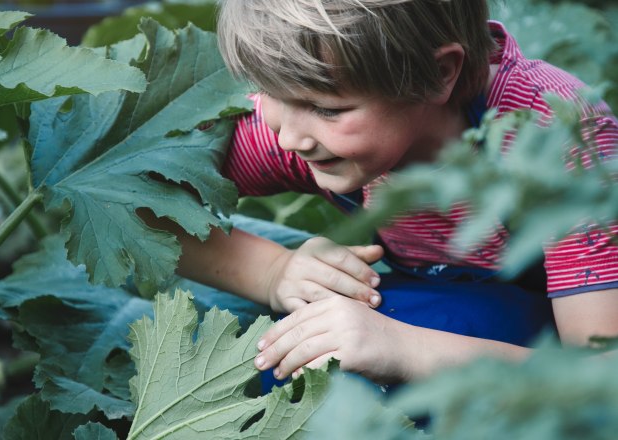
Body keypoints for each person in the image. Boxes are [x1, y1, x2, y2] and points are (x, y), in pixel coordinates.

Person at [165, 0, 618, 385]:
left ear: (440, 73)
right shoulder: (296, 123)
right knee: (291, 362)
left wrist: (404, 347)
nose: (289, 138)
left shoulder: (557, 138)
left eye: (327, 108)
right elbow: (133, 205)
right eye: (267, 91)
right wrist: (273, 271)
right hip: (458, 304)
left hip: (570, 336)